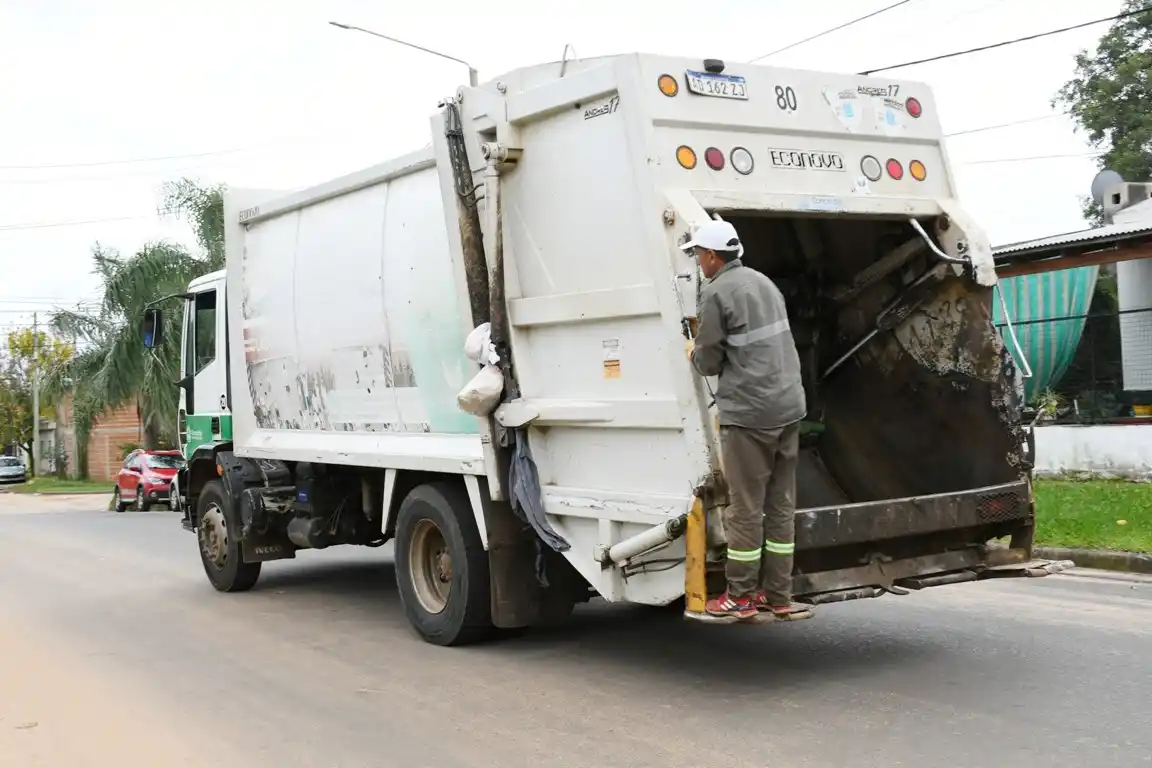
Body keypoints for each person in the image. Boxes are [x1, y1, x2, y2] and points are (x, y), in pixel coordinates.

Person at [680, 219, 812, 623]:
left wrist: (693, 349)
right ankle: (780, 595)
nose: (698, 261)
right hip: (789, 408)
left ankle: (739, 596)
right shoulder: (765, 283)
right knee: (781, 505)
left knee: (746, 510)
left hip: (751, 417)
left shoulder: (717, 292)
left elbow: (709, 361)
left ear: (713, 256)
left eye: (699, 254)